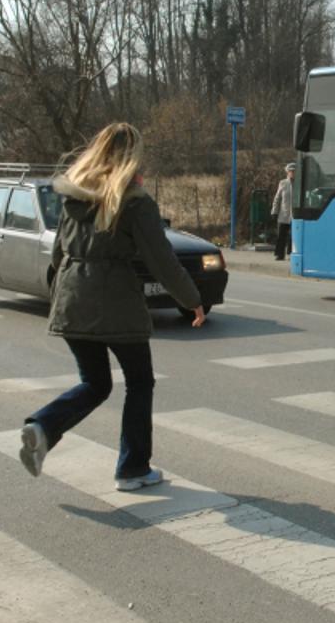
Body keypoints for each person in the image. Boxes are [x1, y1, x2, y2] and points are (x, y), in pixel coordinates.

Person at [18, 122, 206, 491]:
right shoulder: (134, 203)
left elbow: (57, 256)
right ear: (132, 159)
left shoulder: (73, 198)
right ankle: (133, 468)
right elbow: (162, 260)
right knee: (138, 381)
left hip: (71, 301)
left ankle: (42, 425)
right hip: (117, 304)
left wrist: (63, 294)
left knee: (94, 383)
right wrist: (193, 301)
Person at [271, 162, 295, 260]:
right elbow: (277, 198)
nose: (293, 173)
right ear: (287, 172)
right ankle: (279, 254)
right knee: (281, 235)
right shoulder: (283, 183)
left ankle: (291, 254)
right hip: (284, 214)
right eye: (291, 171)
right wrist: (274, 211)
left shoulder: (300, 183)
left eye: (294, 171)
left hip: (295, 214)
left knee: (293, 236)